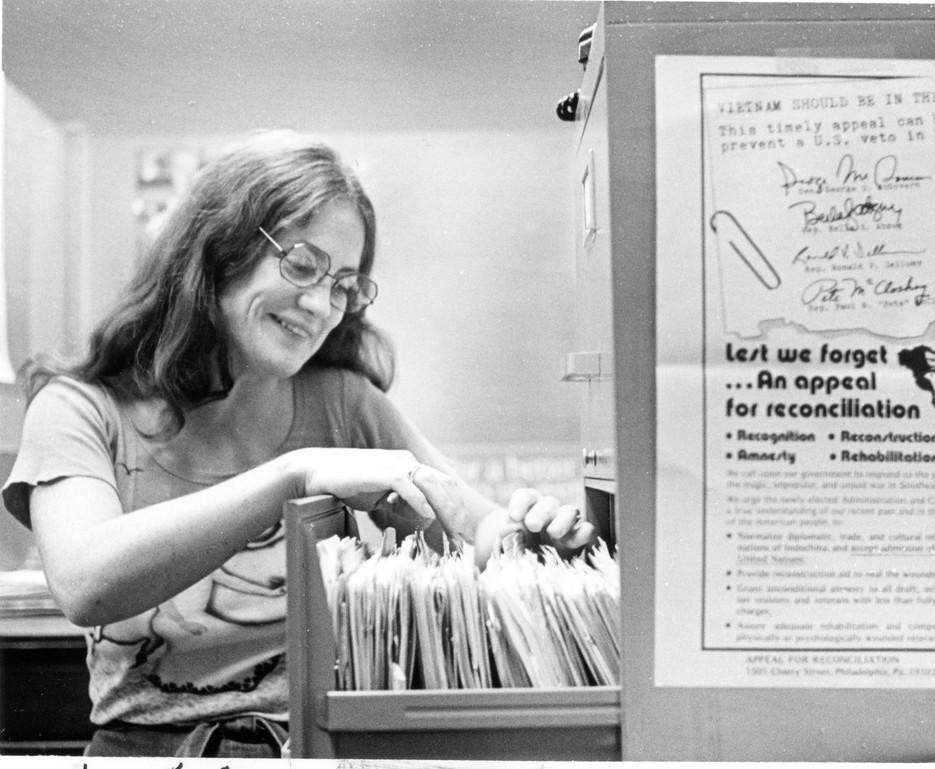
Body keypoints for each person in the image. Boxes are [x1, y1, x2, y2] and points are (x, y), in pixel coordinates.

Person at [1, 129, 595, 758]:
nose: (320, 305)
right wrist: (295, 475)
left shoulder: (340, 401)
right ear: (216, 252)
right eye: (301, 264)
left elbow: (474, 528)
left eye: (343, 284)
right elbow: (86, 585)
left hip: (313, 749)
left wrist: (526, 540)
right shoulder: (80, 409)